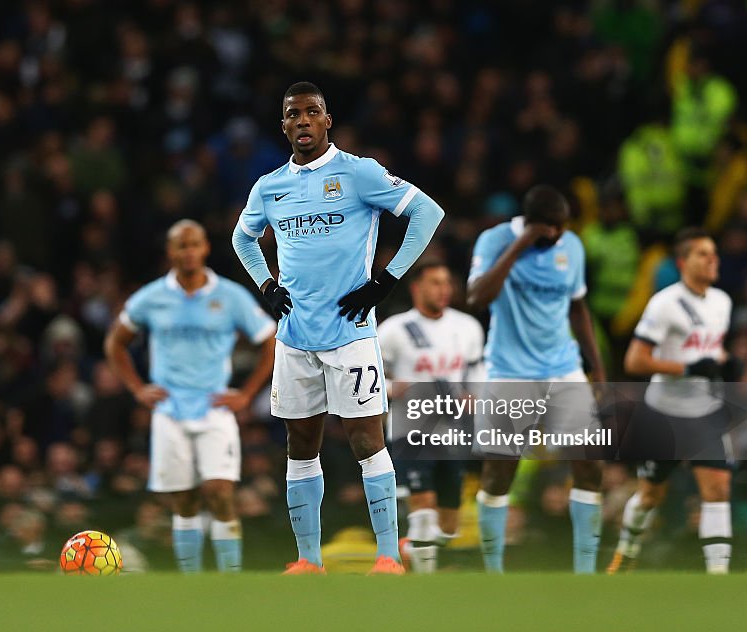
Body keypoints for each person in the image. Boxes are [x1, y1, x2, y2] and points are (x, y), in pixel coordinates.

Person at [231, 81, 445, 575]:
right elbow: (242, 239)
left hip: (351, 334)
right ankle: (309, 559)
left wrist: (385, 282)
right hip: (294, 338)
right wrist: (266, 285)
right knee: (300, 445)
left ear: (328, 121)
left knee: (367, 439)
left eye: (312, 112)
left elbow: (427, 213)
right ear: (283, 125)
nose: (302, 121)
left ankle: (388, 556)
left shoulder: (359, 173)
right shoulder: (268, 186)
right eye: (293, 114)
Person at [105, 220, 276, 573]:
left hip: (214, 409)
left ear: (205, 248)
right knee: (183, 500)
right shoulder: (151, 297)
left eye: (194, 244)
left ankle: (230, 579)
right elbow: (115, 342)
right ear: (170, 252)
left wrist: (246, 394)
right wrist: (137, 388)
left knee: (220, 491)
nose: (188, 252)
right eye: (181, 246)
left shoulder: (229, 296)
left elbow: (269, 340)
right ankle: (191, 583)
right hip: (169, 410)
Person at [466, 185, 607, 574]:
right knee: (499, 473)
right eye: (551, 229)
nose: (559, 235)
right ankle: (493, 571)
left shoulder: (572, 247)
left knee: (590, 466)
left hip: (563, 369)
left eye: (564, 228)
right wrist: (520, 246)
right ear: (531, 225)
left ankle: (586, 572)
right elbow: (477, 297)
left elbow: (577, 306)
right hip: (510, 371)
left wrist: (597, 369)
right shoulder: (495, 240)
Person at [609, 227, 739, 575]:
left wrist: (723, 362)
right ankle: (627, 551)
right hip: (664, 414)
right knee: (651, 495)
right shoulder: (664, 304)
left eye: (714, 253)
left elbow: (710, 349)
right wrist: (687, 367)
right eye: (703, 254)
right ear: (683, 262)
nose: (713, 260)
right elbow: (634, 361)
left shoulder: (722, 302)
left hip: (706, 412)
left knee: (717, 489)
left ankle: (718, 577)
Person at [377, 261, 485, 573]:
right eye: (435, 282)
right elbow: (366, 378)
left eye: (447, 282)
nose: (444, 290)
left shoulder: (467, 327)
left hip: (452, 432)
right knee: (423, 508)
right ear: (417, 288)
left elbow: (477, 373)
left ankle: (411, 550)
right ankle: (426, 583)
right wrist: (391, 388)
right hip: (410, 431)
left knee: (448, 524)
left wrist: (474, 398)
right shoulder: (392, 330)